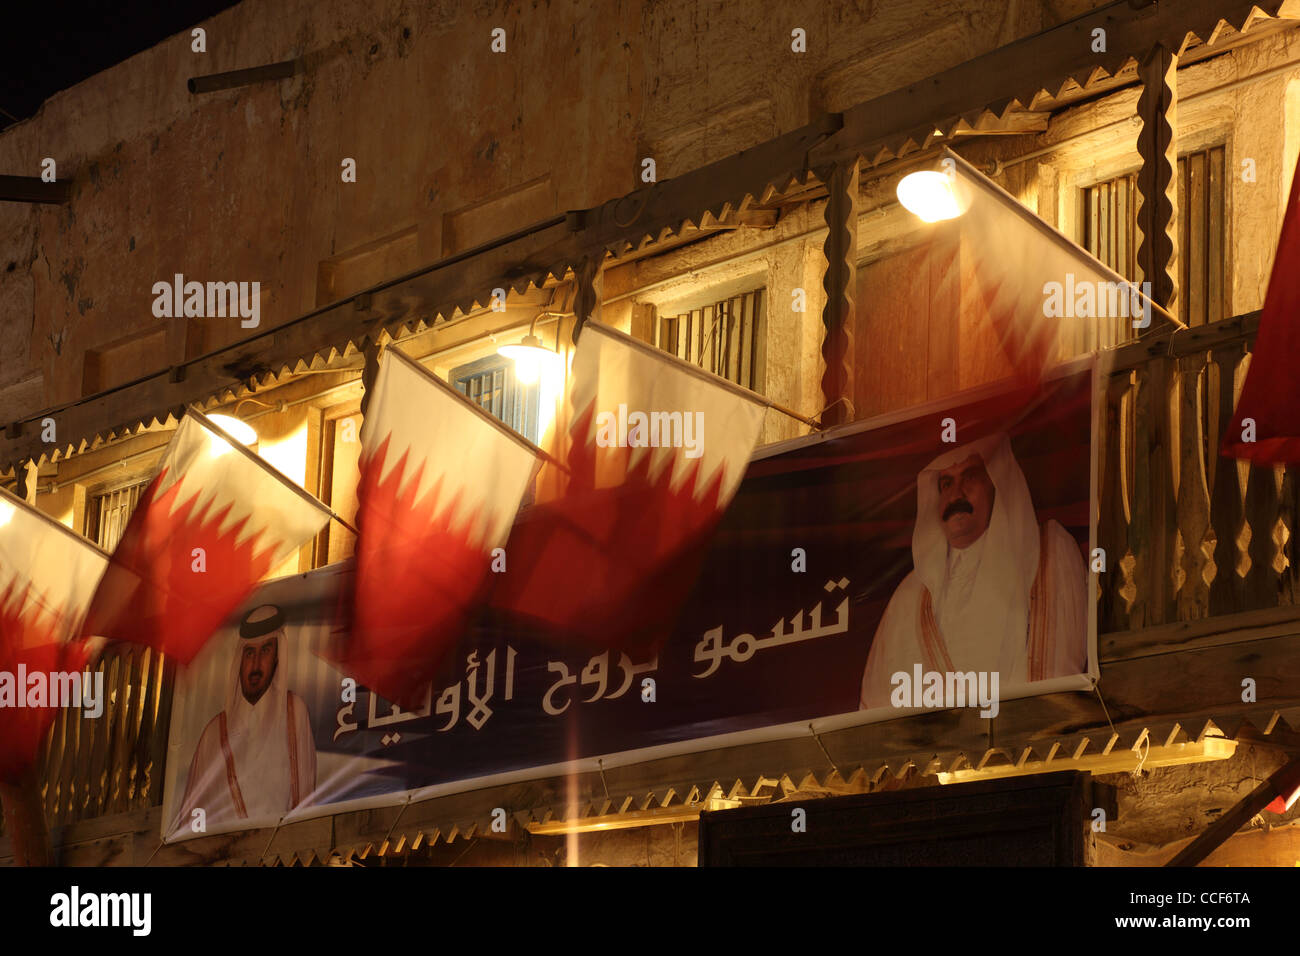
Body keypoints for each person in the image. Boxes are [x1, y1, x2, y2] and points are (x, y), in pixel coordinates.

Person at [860, 432, 1087, 710]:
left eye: (969, 477)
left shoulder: (1049, 551)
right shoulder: (908, 596)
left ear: (996, 482)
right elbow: (875, 705)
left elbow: (1061, 676)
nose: (956, 495)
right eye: (946, 483)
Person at [173, 604, 316, 832]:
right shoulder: (213, 734)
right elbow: (191, 821)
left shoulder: (294, 713)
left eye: (266, 651)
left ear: (278, 657)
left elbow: (306, 800)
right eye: (249, 653)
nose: (256, 665)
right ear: (240, 659)